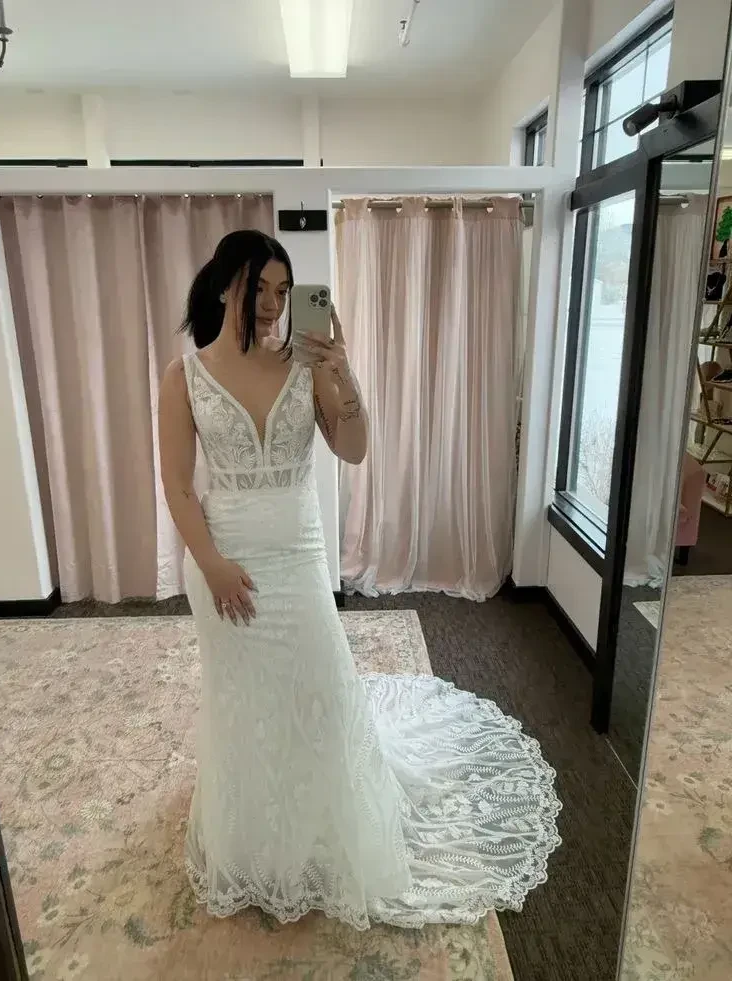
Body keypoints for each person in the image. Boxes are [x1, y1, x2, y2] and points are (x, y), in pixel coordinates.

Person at [158, 228, 561, 930]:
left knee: (318, 682)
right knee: (243, 696)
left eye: (285, 292)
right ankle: (256, 837)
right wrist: (213, 565)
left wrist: (341, 374)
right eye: (261, 287)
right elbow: (177, 485)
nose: (274, 304)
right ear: (228, 284)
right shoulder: (183, 376)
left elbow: (353, 447)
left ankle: (325, 823)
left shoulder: (306, 361)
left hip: (297, 552)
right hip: (224, 559)